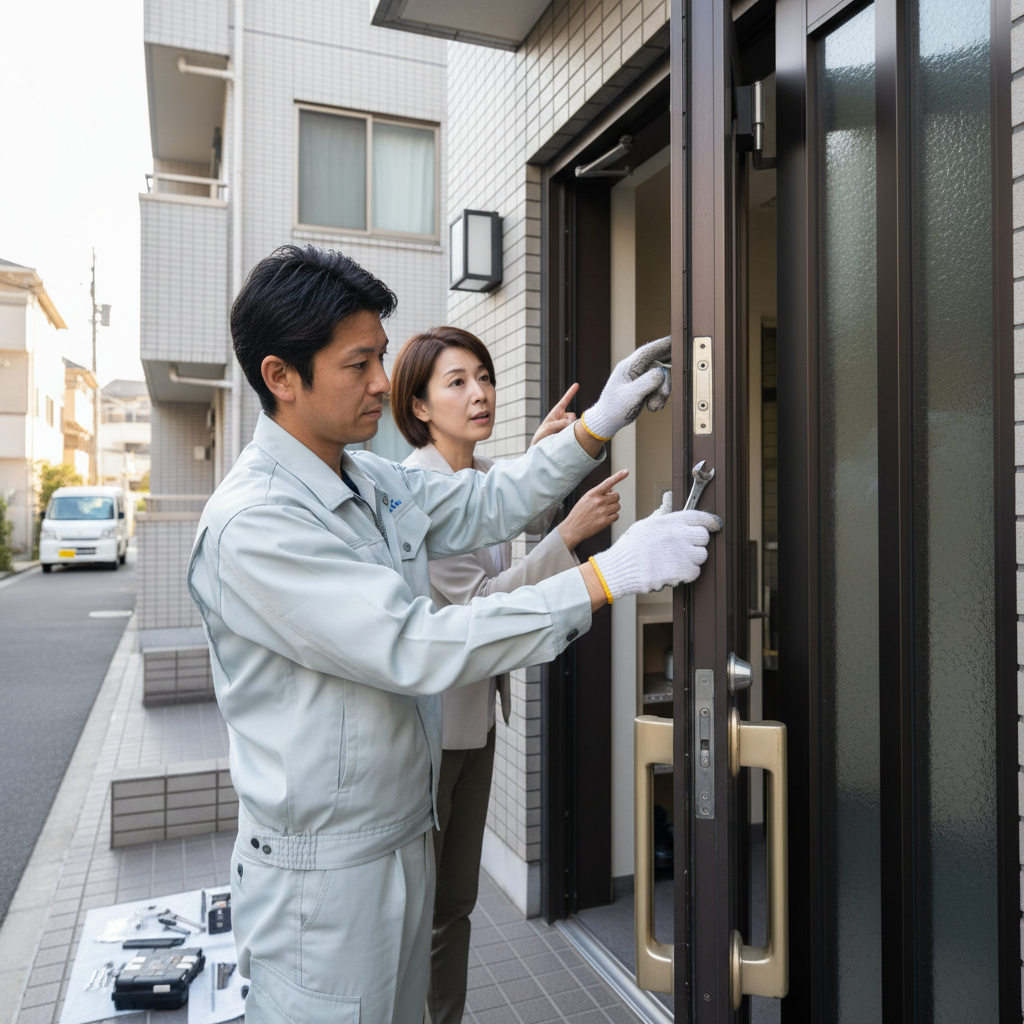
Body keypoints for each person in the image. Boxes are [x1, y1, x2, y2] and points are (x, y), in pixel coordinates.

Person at [186, 244, 721, 1024]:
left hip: (401, 834)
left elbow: (484, 499)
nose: (381, 381)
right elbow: (417, 645)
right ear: (281, 377)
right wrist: (604, 577)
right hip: (325, 882)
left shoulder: (360, 475)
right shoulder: (256, 524)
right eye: (359, 363)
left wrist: (597, 424)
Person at [392, 327, 628, 1024]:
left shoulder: (484, 476)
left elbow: (500, 555)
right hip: (434, 729)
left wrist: (540, 467)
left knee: (455, 903)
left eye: (485, 376)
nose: (481, 393)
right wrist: (569, 536)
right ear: (420, 406)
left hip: (473, 721)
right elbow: (485, 603)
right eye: (457, 382)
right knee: (431, 909)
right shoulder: (420, 491)